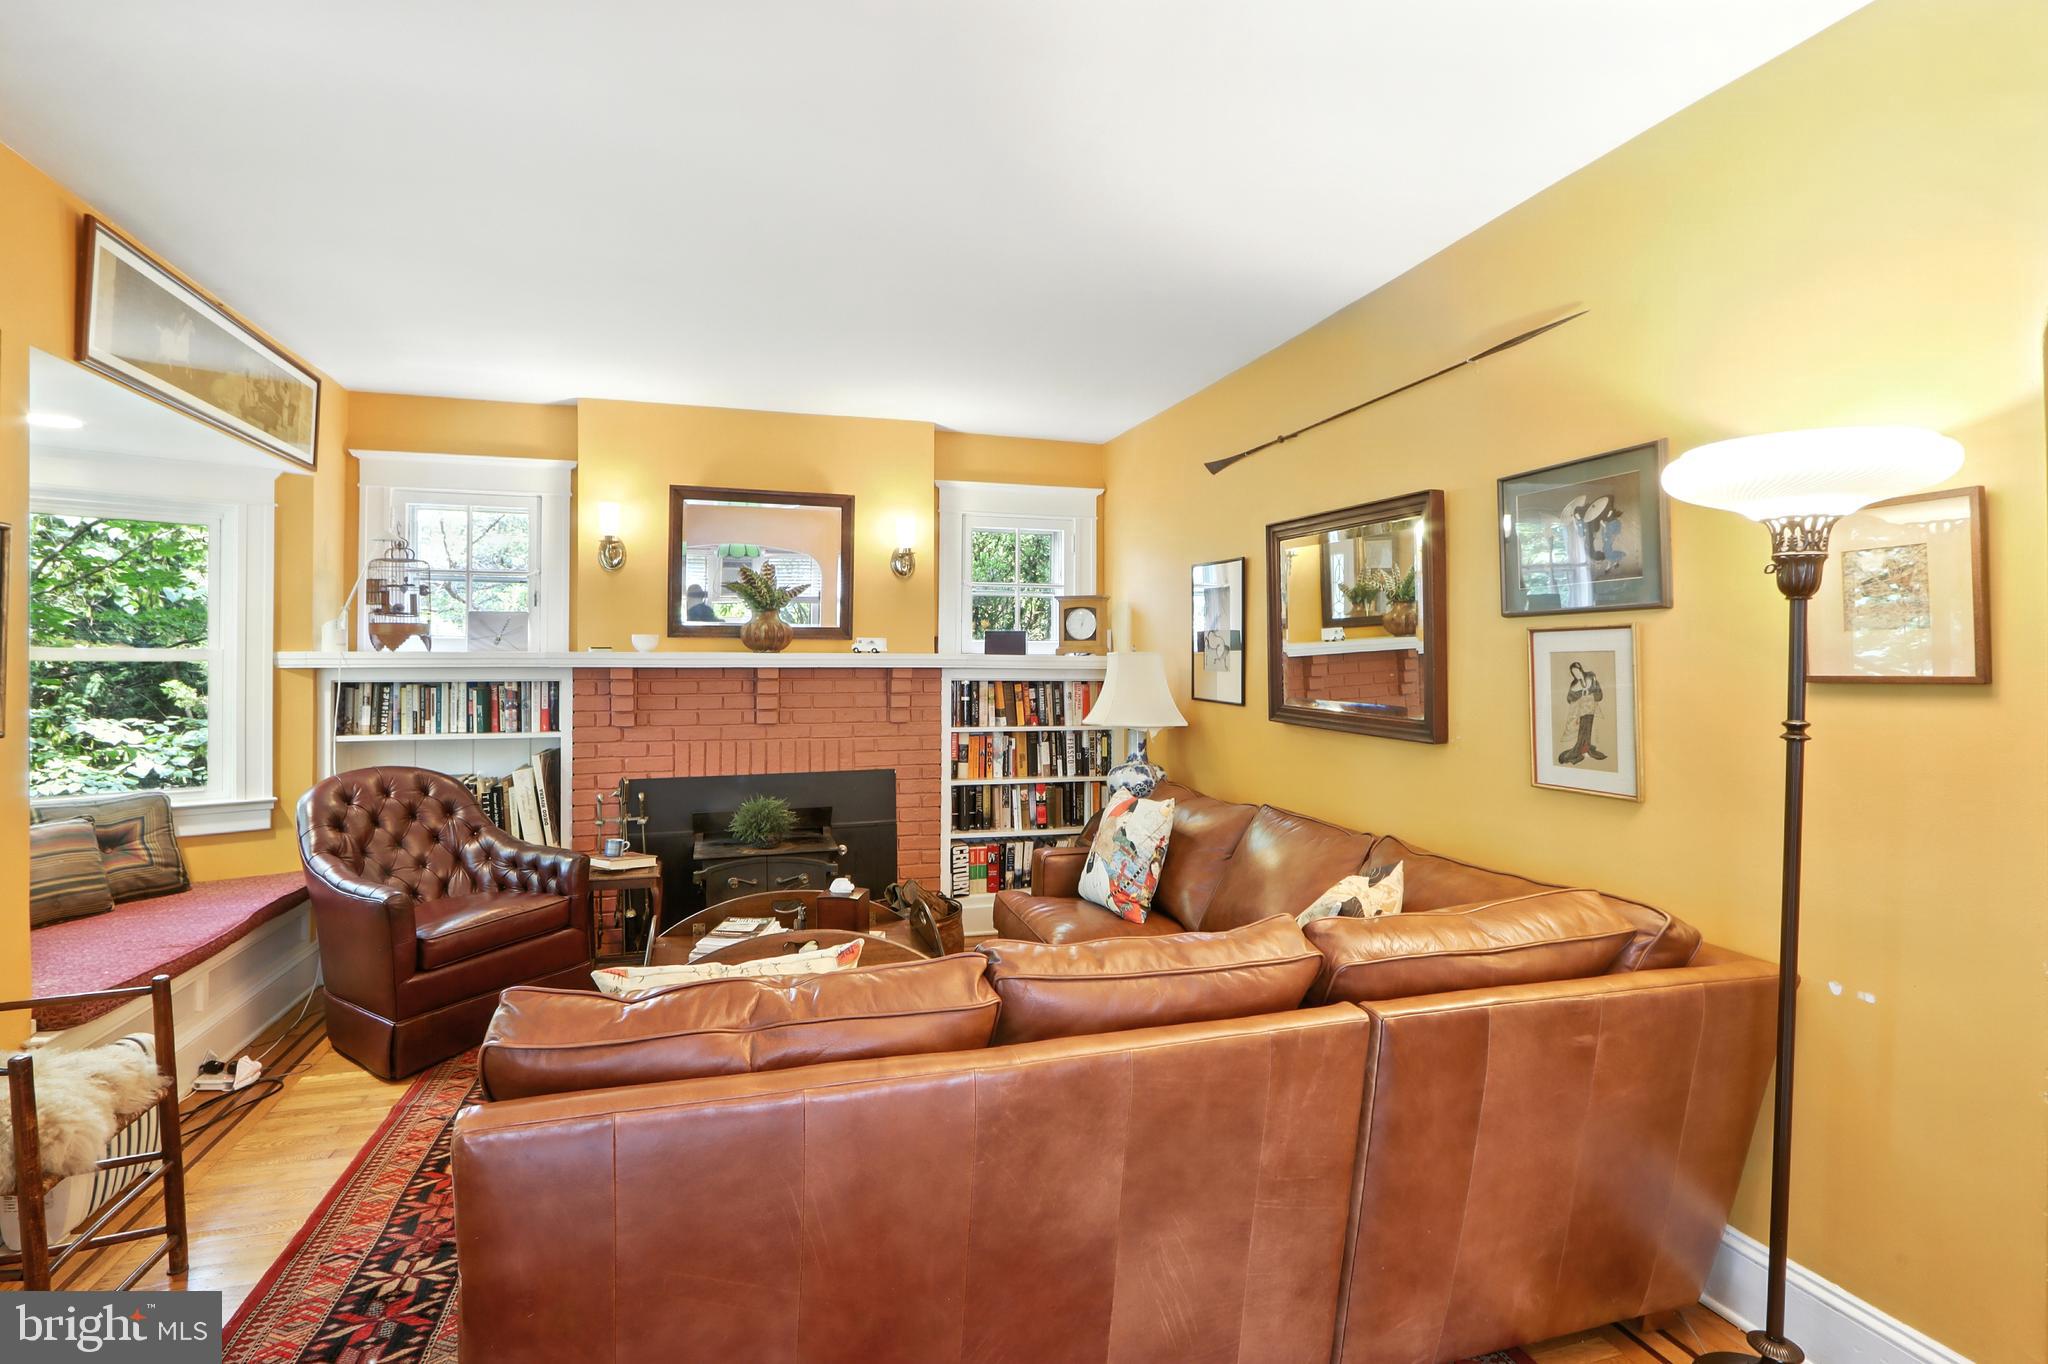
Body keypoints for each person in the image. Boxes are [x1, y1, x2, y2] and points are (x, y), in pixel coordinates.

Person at [1557, 661, 1608, 765]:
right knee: (1582, 729)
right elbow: (1569, 698)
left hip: (1591, 707)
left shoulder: (1590, 677)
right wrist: (1580, 695)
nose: (1576, 674)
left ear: (1580, 670)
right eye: (1574, 673)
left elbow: (1598, 691)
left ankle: (1586, 748)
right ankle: (1579, 749)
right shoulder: (1574, 684)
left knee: (1588, 728)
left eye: (1577, 671)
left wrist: (1590, 693)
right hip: (1581, 709)